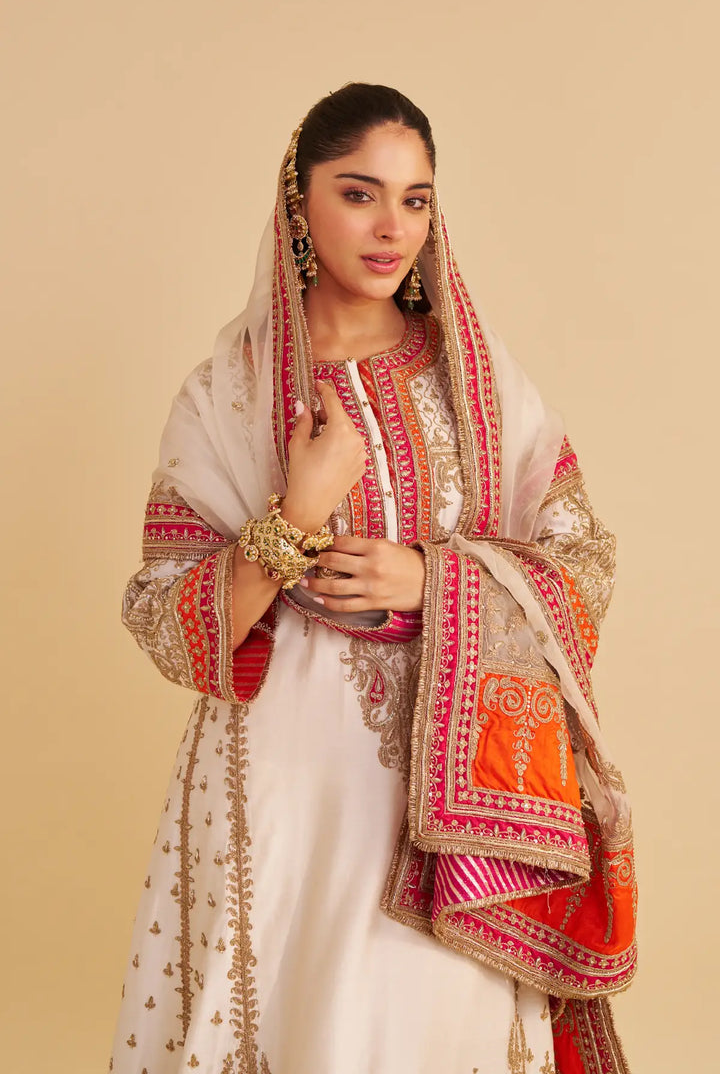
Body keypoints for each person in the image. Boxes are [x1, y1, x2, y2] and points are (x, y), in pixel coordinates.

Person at [109, 84, 637, 1074]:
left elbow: (586, 566)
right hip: (282, 786)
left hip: (458, 807)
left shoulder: (478, 383)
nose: (393, 226)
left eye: (416, 199)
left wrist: (434, 579)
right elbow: (167, 625)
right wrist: (295, 519)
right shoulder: (228, 393)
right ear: (299, 202)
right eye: (360, 194)